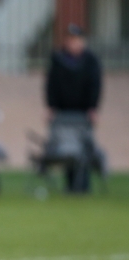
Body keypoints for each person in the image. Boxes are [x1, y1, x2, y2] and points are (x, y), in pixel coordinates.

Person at [46, 24, 102, 193]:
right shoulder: (58, 59)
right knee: (66, 146)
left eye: (76, 40)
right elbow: (51, 85)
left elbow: (95, 85)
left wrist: (93, 107)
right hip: (63, 111)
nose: (73, 44)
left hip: (82, 111)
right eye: (70, 40)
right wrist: (51, 106)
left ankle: (82, 184)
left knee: (83, 146)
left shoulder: (90, 60)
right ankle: (70, 184)